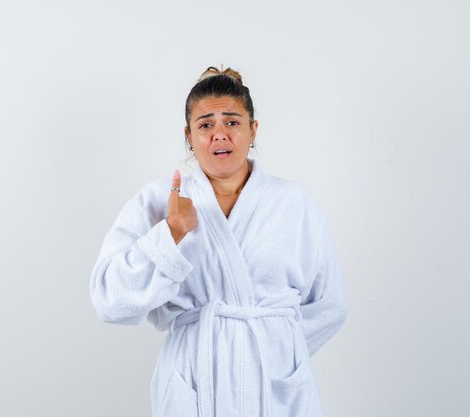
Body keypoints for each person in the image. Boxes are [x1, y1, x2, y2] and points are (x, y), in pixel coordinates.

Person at [89, 66, 348, 417]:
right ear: (189, 135)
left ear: (253, 130)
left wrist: (278, 354)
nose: (219, 135)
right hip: (194, 380)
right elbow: (109, 298)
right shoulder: (156, 202)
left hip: (277, 387)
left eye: (232, 122)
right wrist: (171, 233)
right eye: (206, 124)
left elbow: (331, 305)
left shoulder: (295, 203)